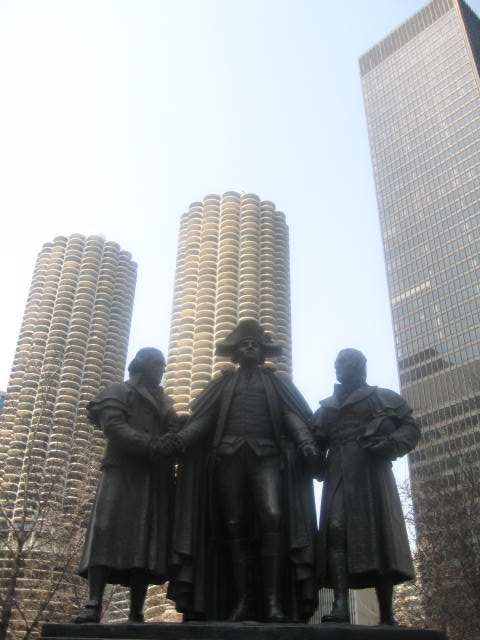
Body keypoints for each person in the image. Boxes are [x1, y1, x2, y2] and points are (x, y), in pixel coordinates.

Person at [166, 320, 319, 623]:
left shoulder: (276, 383)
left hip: (267, 457)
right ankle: (244, 602)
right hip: (229, 457)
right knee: (234, 524)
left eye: (255, 344)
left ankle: (274, 601)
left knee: (273, 516)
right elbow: (204, 421)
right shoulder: (222, 383)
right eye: (243, 345)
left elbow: (291, 415)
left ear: (262, 352)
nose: (249, 347)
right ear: (235, 353)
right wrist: (178, 441)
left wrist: (305, 442)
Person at [311, 348, 420, 625]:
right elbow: (313, 440)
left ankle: (387, 614)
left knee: (378, 535)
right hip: (338, 474)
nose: (339, 369)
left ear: (360, 367)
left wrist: (391, 443)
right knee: (336, 531)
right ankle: (340, 605)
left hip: (371, 474)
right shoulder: (326, 407)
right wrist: (311, 455)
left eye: (345, 364)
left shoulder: (381, 398)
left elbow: (409, 427)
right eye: (336, 364)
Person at [75, 348, 181, 623]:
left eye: (163, 365)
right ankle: (93, 603)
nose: (161, 369)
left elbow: (175, 429)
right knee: (105, 530)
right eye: (157, 364)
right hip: (122, 472)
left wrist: (174, 438)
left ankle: (137, 610)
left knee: (144, 539)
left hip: (153, 477)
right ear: (141, 365)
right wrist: (151, 444)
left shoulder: (165, 400)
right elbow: (114, 426)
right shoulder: (118, 391)